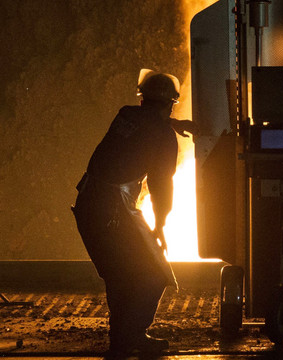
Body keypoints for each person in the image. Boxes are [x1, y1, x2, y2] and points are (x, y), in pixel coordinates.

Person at [72, 70, 193, 357]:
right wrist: (161, 223)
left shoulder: (125, 115)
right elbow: (161, 184)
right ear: (171, 104)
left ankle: (125, 339)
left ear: (142, 99)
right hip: (113, 209)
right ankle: (129, 339)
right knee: (155, 273)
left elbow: (144, 124)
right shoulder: (162, 136)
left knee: (120, 275)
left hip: (88, 204)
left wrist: (171, 124)